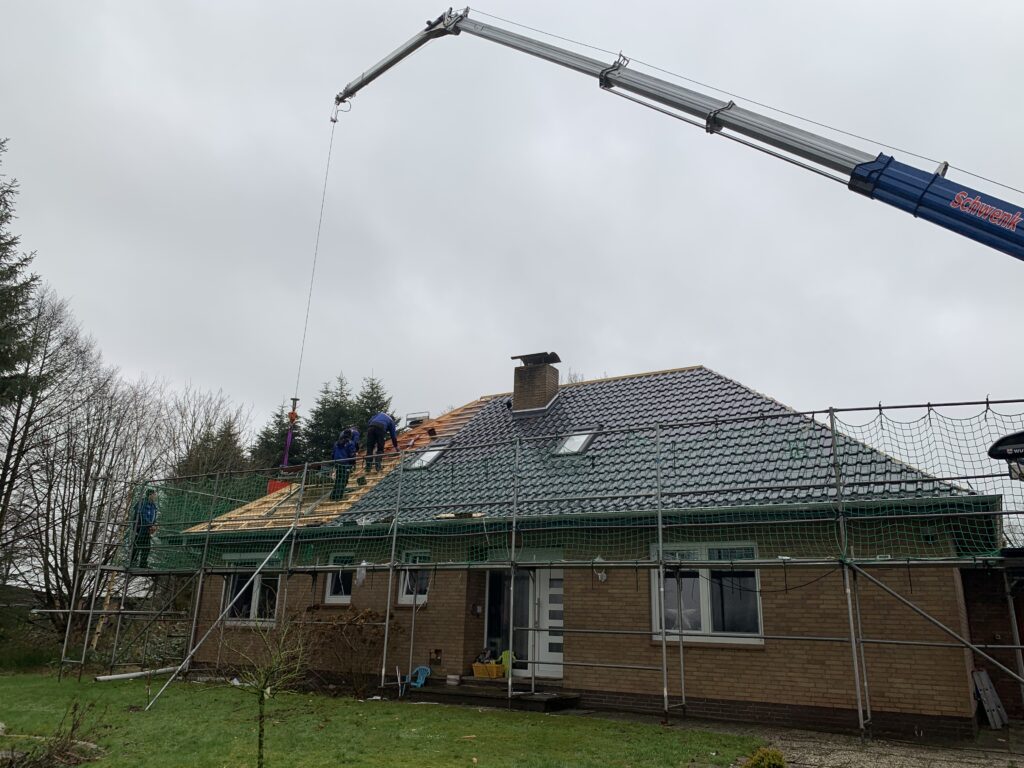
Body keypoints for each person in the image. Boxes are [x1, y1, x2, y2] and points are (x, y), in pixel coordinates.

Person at [130, 489, 158, 569]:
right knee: (137, 546)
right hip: (139, 528)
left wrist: (154, 525)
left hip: (147, 530)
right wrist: (150, 525)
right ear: (150, 495)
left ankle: (142, 564)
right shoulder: (142, 503)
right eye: (154, 494)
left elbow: (153, 516)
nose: (155, 496)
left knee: (146, 547)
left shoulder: (153, 506)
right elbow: (142, 516)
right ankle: (132, 562)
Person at [330, 428, 357, 500]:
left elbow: (332, 454)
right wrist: (353, 463)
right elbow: (352, 454)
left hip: (337, 463)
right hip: (345, 464)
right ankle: (338, 496)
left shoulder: (336, 443)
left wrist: (334, 462)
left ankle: (333, 496)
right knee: (344, 480)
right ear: (350, 435)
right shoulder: (350, 443)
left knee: (338, 479)